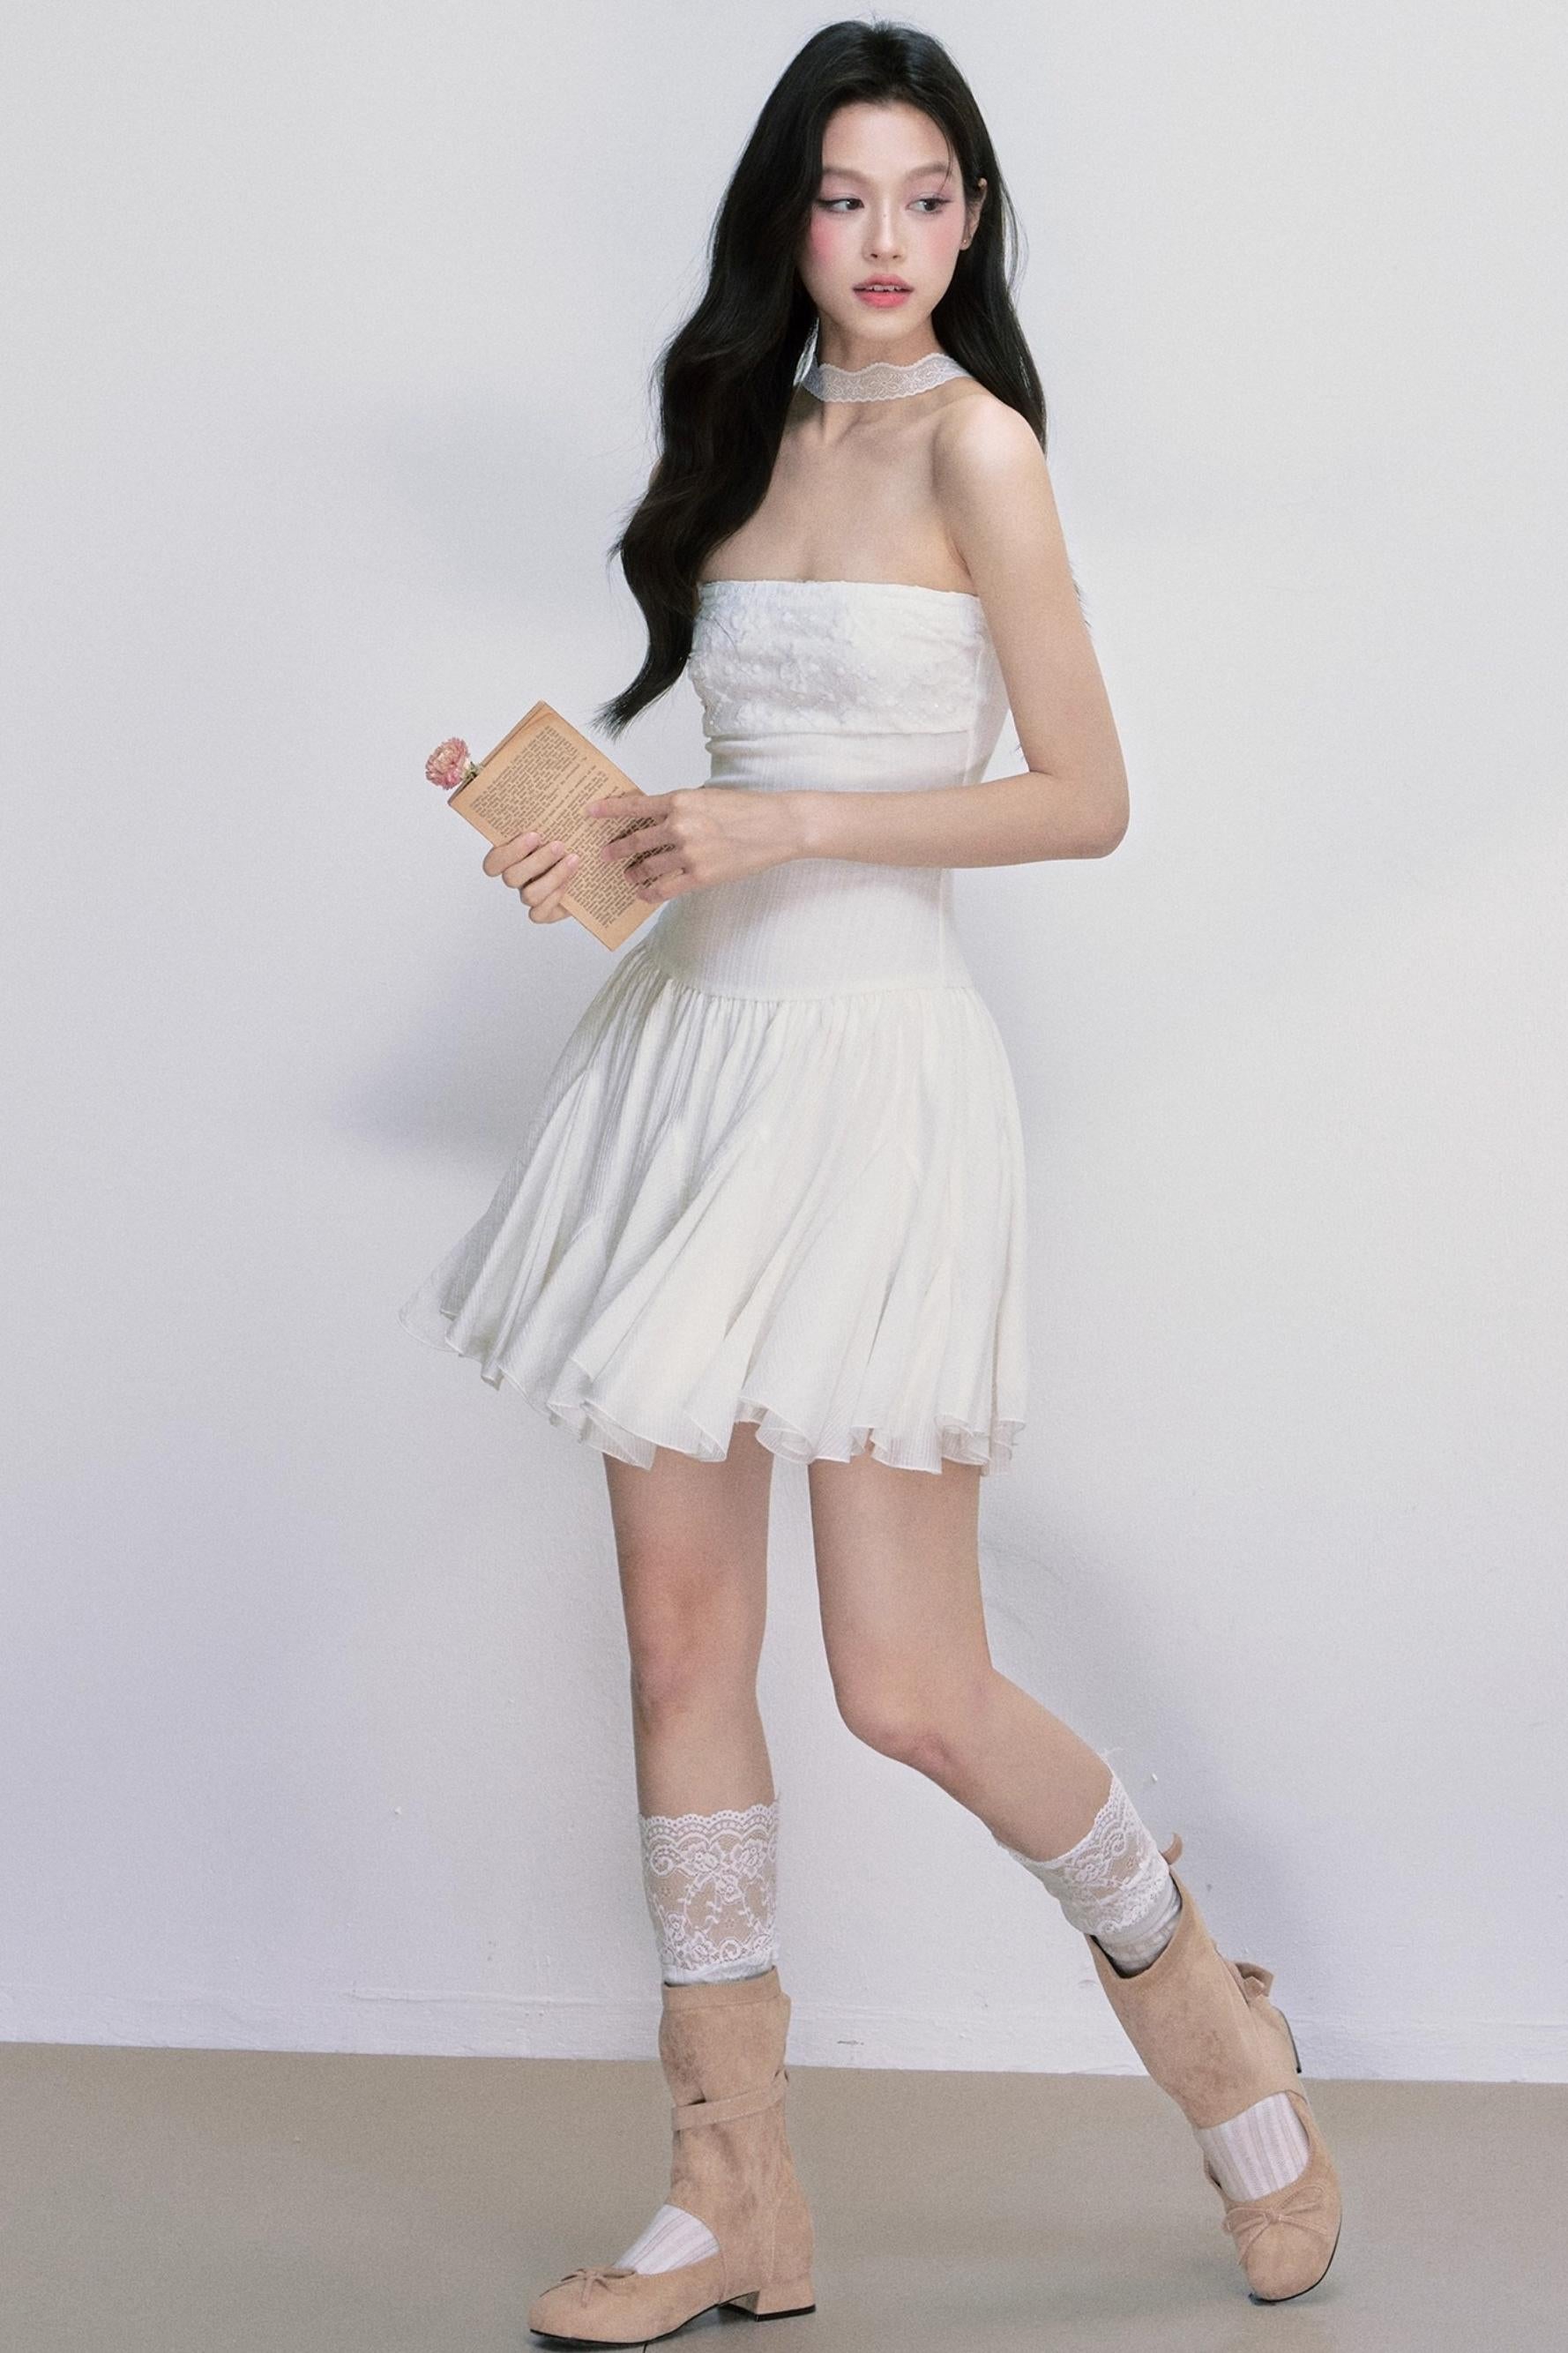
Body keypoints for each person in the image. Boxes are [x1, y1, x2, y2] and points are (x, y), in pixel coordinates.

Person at [399, 19, 1341, 2341]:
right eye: (845, 197)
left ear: (973, 217)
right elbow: (710, 815)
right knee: (676, 1648)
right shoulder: (732, 428)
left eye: (926, 197)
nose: (887, 240)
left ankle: (1210, 2020)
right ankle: (731, 2191)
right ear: (788, 218)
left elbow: (1083, 795)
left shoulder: (981, 449)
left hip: (879, 1080)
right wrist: (583, 844)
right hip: (687, 1071)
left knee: (910, 1682)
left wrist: (792, 820)